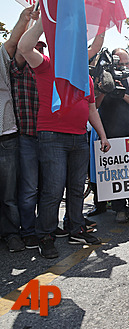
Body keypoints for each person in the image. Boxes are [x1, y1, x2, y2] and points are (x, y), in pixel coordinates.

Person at [18, 17, 111, 259]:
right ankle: (46, 235)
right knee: (53, 189)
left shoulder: (86, 77)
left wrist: (102, 136)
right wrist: (41, 20)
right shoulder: (48, 65)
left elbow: (91, 110)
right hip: (52, 137)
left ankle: (75, 229)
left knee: (77, 188)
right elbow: (24, 48)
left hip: (79, 137)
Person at [0, 5, 37, 253]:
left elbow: (14, 42)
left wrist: (25, 18)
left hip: (6, 135)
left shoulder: (1, 56)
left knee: (9, 191)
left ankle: (12, 233)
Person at [95, 48, 129, 223]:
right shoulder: (103, 80)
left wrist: (122, 94)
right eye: (120, 64)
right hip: (109, 138)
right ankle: (118, 208)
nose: (124, 67)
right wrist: (105, 88)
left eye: (127, 64)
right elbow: (93, 106)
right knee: (114, 176)